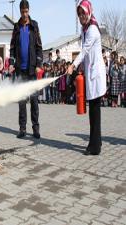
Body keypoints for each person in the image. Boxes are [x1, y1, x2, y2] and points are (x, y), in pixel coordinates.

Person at [67, 0, 106, 155]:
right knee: (94, 110)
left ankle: (95, 147)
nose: (82, 16)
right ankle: (97, 140)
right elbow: (86, 54)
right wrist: (80, 66)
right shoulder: (85, 29)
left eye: (83, 12)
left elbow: (84, 52)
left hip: (96, 75)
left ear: (89, 12)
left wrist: (73, 65)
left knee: (94, 111)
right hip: (90, 73)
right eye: (79, 14)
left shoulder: (92, 30)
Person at [9, 0, 43, 139]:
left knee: (34, 101)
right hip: (20, 70)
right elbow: (11, 48)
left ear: (29, 10)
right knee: (22, 102)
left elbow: (39, 47)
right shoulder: (16, 27)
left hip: (32, 70)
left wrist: (39, 64)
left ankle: (35, 128)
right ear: (20, 11)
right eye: (22, 11)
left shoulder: (34, 26)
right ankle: (22, 129)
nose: (24, 14)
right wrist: (11, 63)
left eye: (26, 11)